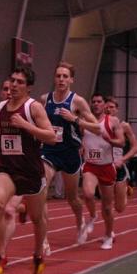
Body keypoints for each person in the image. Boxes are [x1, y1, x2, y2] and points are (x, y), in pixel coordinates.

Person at [0, 66, 56, 274]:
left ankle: (38, 253)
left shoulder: (34, 108)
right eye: (12, 80)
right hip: (7, 170)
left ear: (28, 87)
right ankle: (1, 254)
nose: (14, 85)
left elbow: (51, 136)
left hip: (31, 172)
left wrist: (25, 125)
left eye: (19, 82)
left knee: (38, 217)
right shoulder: (2, 106)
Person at [39, 62, 100, 244]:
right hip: (49, 151)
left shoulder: (77, 101)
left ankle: (80, 219)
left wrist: (75, 119)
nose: (61, 79)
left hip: (70, 153)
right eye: (58, 76)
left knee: (72, 197)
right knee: (42, 189)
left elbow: (97, 128)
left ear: (71, 80)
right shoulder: (44, 99)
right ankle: (43, 239)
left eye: (65, 76)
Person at [78, 94, 125, 249]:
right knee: (88, 193)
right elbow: (81, 138)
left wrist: (109, 140)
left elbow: (122, 142)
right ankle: (92, 215)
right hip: (90, 165)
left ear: (105, 105)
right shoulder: (84, 122)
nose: (96, 104)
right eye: (94, 102)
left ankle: (108, 235)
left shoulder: (112, 121)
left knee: (107, 206)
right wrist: (81, 147)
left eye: (99, 101)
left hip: (106, 166)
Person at [103, 96, 137, 215]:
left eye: (112, 107)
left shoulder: (124, 126)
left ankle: (125, 189)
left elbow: (135, 147)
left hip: (118, 167)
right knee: (106, 205)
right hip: (103, 166)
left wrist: (123, 160)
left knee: (119, 208)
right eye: (106, 107)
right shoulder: (98, 124)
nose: (109, 109)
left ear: (117, 110)